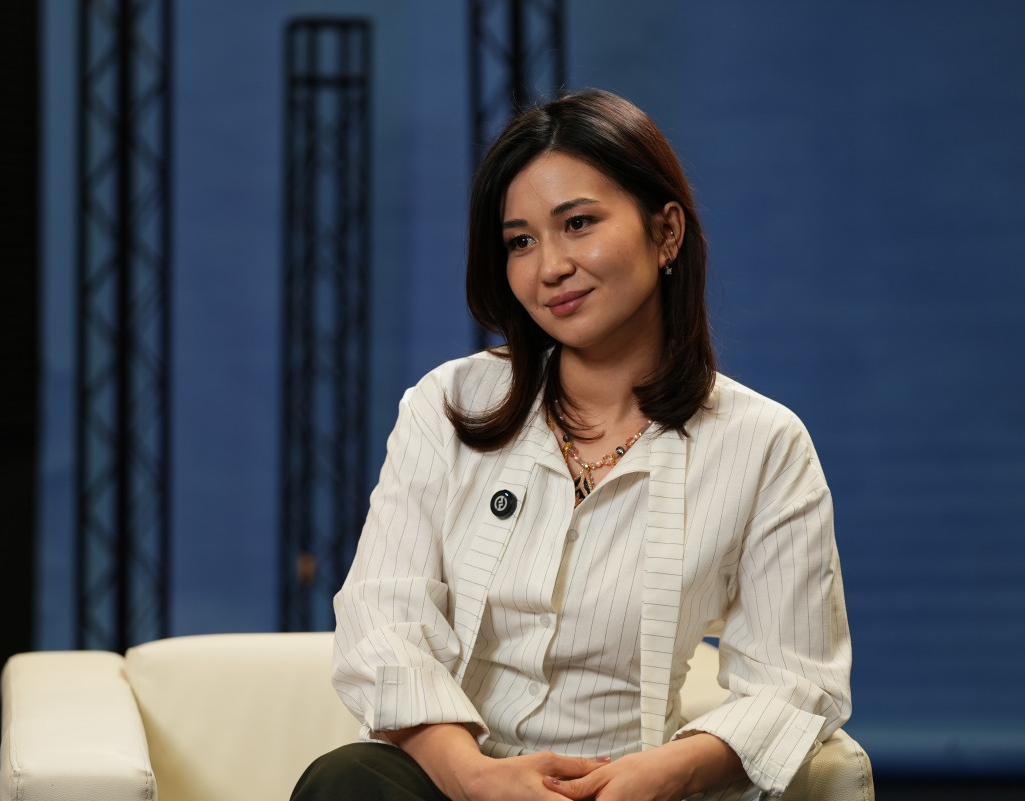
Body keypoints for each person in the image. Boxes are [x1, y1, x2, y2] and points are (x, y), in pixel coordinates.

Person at [291, 88, 851, 801]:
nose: (549, 266)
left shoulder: (764, 445)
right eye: (520, 241)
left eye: (578, 223)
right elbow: (383, 621)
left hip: (629, 785)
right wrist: (477, 778)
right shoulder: (450, 403)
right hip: (457, 782)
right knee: (348, 778)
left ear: (666, 232)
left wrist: (664, 773)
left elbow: (794, 681)